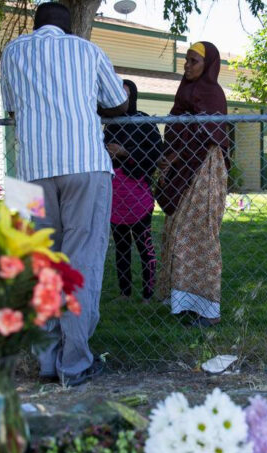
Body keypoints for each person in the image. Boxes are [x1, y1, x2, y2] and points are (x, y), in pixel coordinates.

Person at [0, 2, 128, 386]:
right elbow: (118, 103)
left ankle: (46, 363)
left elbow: (10, 110)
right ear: (69, 26)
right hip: (85, 164)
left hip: (30, 172)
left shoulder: (12, 52)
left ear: (35, 25)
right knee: (81, 262)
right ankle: (75, 364)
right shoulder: (87, 50)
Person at [154, 41, 229, 328]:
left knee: (198, 234)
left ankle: (209, 310)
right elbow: (177, 129)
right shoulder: (185, 91)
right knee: (176, 232)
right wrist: (168, 156)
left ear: (207, 64)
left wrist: (175, 156)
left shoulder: (211, 93)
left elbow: (205, 135)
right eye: (186, 60)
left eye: (194, 61)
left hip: (204, 169)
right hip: (181, 166)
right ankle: (185, 303)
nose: (187, 65)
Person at [104, 79, 162, 302]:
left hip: (139, 196)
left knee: (144, 246)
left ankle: (148, 293)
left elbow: (155, 154)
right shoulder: (110, 124)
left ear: (134, 97)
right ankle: (125, 292)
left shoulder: (144, 122)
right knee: (121, 248)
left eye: (126, 96)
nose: (122, 100)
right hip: (116, 198)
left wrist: (125, 153)